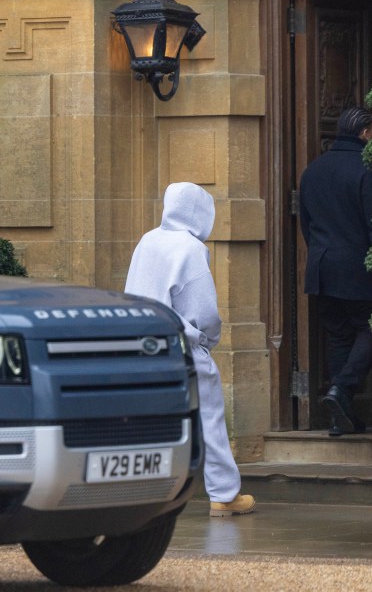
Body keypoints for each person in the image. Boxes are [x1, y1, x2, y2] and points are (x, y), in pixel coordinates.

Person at [125, 182, 256, 517]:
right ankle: (224, 495)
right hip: (180, 346)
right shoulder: (191, 248)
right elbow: (204, 310)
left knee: (149, 421)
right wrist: (207, 340)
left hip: (140, 343)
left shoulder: (147, 240)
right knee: (209, 420)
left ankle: (141, 493)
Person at [299, 106, 372, 436]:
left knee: (339, 336)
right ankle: (342, 390)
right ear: (366, 133)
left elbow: (306, 224)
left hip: (322, 268)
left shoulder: (313, 169)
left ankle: (340, 418)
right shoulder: (371, 168)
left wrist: (320, 256)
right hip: (360, 268)